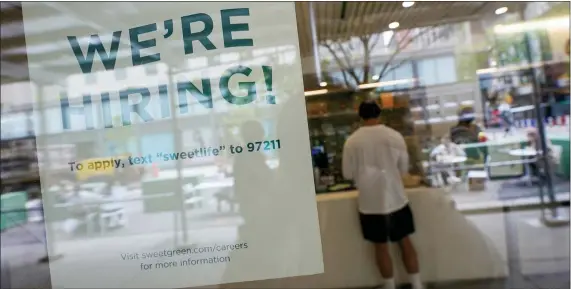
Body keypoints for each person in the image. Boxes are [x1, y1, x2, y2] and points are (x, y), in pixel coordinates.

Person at [342, 101, 422, 289]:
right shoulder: (394, 136)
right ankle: (417, 285)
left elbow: (347, 174)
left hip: (370, 203)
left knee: (380, 246)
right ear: (380, 114)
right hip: (396, 198)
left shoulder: (352, 141)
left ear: (360, 117)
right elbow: (403, 170)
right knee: (405, 242)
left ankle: (389, 285)